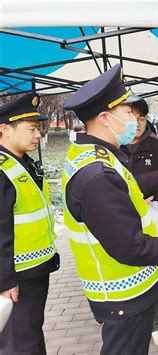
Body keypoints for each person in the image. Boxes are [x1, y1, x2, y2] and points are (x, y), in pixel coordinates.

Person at [61, 64, 158, 355]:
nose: (135, 119)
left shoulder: (96, 157)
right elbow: (130, 246)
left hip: (125, 290)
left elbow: (128, 185)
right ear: (105, 118)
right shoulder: (97, 174)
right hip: (121, 294)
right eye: (128, 112)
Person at [0, 93, 60, 354]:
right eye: (31, 129)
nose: (38, 135)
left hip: (33, 271)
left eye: (39, 128)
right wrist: (4, 282)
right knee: (21, 343)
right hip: (16, 278)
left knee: (31, 332)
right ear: (4, 129)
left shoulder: (22, 162)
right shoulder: (3, 171)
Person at [121, 98, 158, 346]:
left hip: (154, 219)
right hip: (123, 222)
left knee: (154, 270)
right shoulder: (114, 150)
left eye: (142, 118)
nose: (138, 123)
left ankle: (156, 322)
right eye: (132, 118)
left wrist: (157, 196)